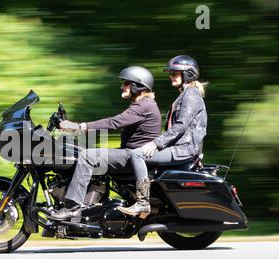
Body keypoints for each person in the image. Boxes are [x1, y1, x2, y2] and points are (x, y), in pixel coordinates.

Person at [50, 66, 161, 221]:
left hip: (134, 155)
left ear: (138, 85)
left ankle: (72, 206)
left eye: (126, 83)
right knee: (90, 153)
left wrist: (77, 127)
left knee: (88, 155)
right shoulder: (143, 104)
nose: (122, 86)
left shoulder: (144, 106)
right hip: (130, 152)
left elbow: (114, 122)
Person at [118, 55, 208, 219]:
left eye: (175, 73)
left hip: (183, 150)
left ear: (187, 74)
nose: (171, 76)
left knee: (137, 154)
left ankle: (142, 202)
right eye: (171, 73)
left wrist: (155, 144)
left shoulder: (191, 95)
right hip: (180, 147)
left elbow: (181, 126)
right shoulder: (185, 94)